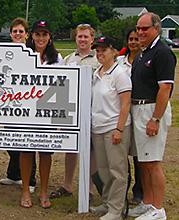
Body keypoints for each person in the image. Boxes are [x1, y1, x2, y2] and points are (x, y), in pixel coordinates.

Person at [128, 12, 176, 220]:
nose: (140, 32)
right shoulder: (142, 52)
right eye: (138, 28)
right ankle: (147, 202)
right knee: (142, 161)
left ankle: (158, 209)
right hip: (138, 109)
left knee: (153, 161)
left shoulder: (162, 53)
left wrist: (155, 119)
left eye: (145, 28)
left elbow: (165, 88)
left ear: (156, 28)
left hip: (152, 109)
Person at [49, 23, 102, 203]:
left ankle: (88, 188)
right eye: (80, 36)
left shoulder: (98, 60)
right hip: (72, 110)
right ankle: (67, 185)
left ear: (92, 39)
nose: (82, 39)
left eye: (86, 37)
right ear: (76, 38)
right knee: (71, 147)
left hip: (92, 109)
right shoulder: (69, 59)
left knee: (90, 150)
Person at [19, 19, 64, 209]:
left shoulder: (57, 58)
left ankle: (44, 190)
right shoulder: (23, 55)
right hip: (26, 112)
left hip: (48, 113)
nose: (41, 38)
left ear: (49, 37)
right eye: (38, 34)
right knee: (26, 150)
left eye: (44, 34)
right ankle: (25, 190)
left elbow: (63, 86)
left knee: (45, 152)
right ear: (32, 36)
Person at [89, 36, 132, 220]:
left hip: (114, 127)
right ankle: (107, 202)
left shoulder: (119, 74)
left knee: (117, 170)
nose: (100, 53)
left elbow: (126, 103)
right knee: (104, 170)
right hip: (98, 128)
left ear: (113, 52)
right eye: (97, 50)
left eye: (104, 50)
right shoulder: (96, 73)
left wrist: (119, 129)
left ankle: (117, 209)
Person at [0, 17, 37, 194]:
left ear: (26, 34)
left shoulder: (32, 52)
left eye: (21, 31)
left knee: (27, 142)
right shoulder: (5, 52)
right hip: (9, 102)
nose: (18, 34)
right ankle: (14, 175)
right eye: (15, 31)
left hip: (27, 101)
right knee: (10, 139)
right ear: (10, 33)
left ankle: (30, 179)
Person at [117, 28, 143, 205]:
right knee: (122, 154)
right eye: (130, 39)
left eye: (136, 39)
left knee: (139, 154)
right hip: (121, 111)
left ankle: (140, 191)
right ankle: (122, 191)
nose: (133, 42)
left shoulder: (145, 59)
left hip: (139, 108)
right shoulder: (119, 61)